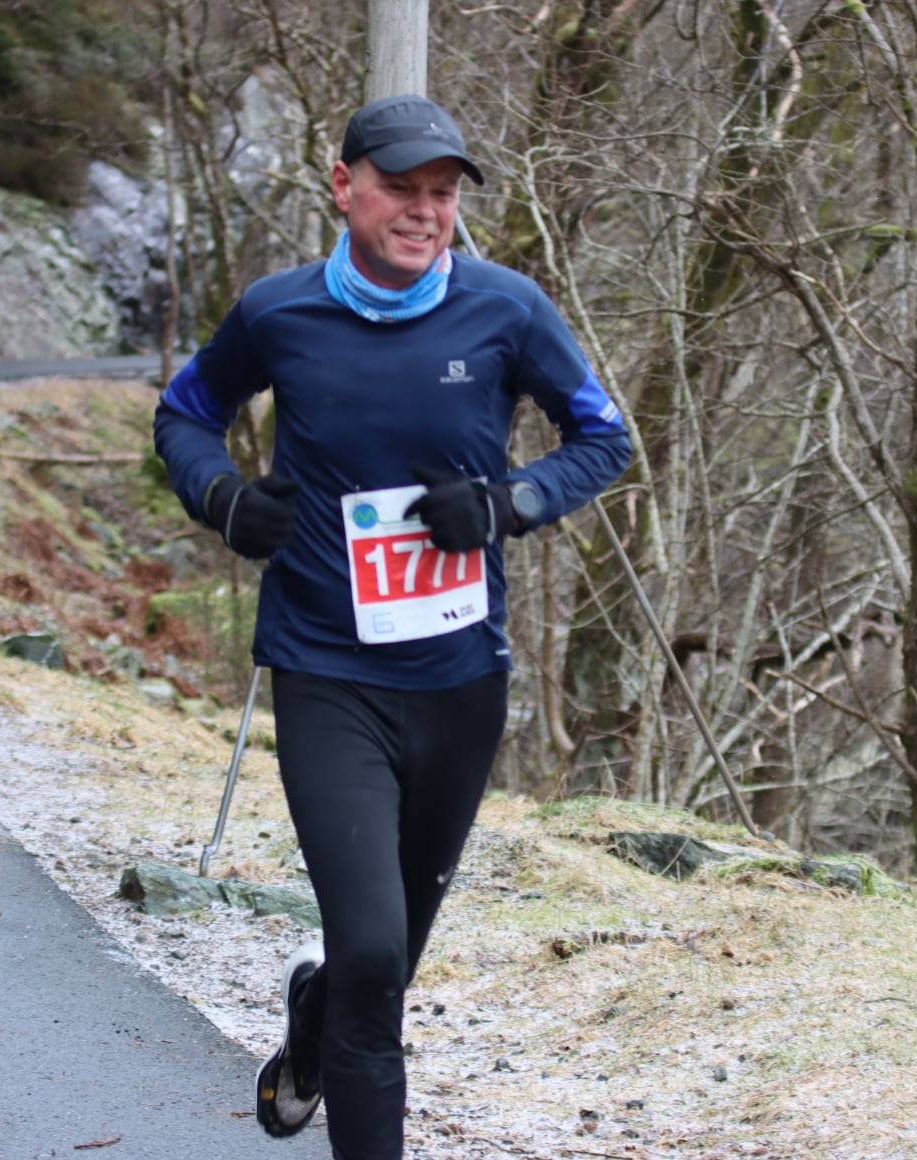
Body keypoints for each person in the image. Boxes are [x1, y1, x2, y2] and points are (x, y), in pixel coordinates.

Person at [153, 93, 631, 1160]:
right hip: (325, 672)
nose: (424, 212)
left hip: (460, 684)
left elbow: (604, 438)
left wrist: (508, 502)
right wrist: (225, 500)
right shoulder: (278, 313)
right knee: (370, 950)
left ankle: (315, 1025)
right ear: (344, 185)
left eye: (443, 194)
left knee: (386, 961)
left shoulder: (507, 310)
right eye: (401, 189)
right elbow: (184, 414)